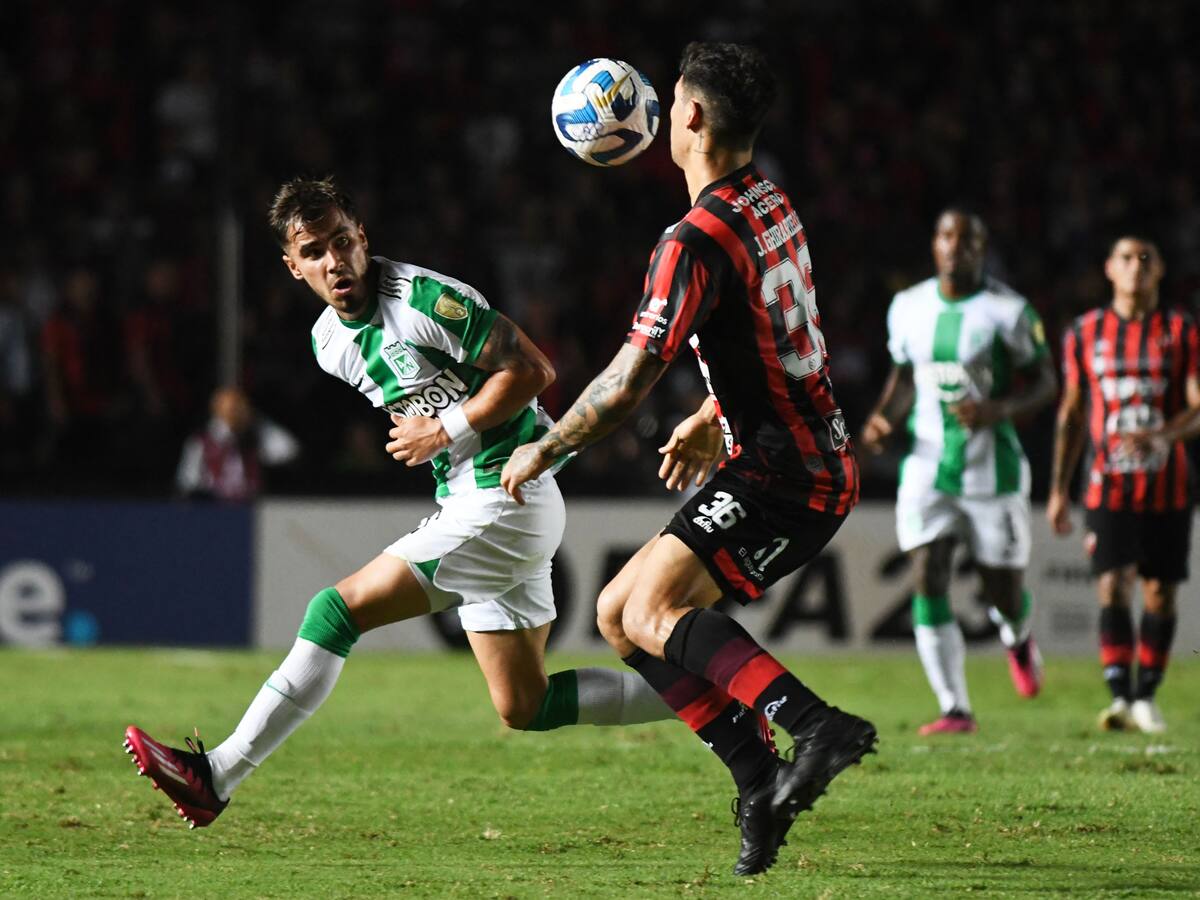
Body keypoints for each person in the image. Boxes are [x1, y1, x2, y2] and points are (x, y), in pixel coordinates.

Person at [124, 176, 673, 828]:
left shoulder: (424, 301)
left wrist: (446, 430)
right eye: (314, 251)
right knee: (525, 704)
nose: (335, 261)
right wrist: (443, 435)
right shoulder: (329, 344)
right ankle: (712, 694)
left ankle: (218, 772)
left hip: (505, 496)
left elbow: (533, 371)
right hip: (476, 501)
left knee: (335, 612)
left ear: (362, 237)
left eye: (341, 241)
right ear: (293, 267)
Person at [502, 42, 876, 877]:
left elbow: (631, 378)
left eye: (672, 103)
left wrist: (548, 444)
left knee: (652, 612)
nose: (666, 116)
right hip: (787, 451)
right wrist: (715, 408)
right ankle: (760, 777)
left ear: (695, 119)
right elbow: (782, 336)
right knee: (613, 614)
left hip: (791, 475)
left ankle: (814, 726)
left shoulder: (693, 238)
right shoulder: (769, 200)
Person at [859, 210, 1057, 735]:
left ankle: (1017, 636)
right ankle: (955, 708)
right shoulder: (908, 307)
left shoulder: (1009, 312)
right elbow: (904, 377)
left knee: (1003, 592)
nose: (957, 247)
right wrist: (883, 419)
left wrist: (999, 409)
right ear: (935, 244)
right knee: (928, 574)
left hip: (993, 470)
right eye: (947, 236)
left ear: (982, 249)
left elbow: (1046, 382)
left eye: (968, 239)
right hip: (926, 465)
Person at [1047, 236, 1199, 734]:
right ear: (1110, 269)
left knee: (1159, 592)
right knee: (1113, 584)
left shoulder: (1180, 330)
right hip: (1105, 483)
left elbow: (1197, 405)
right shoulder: (1085, 332)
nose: (1137, 266)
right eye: (1127, 259)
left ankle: (1145, 696)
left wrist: (1162, 436)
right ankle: (1118, 696)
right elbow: (1071, 413)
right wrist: (1057, 489)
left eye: (1146, 259)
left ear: (1159, 271)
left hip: (1168, 484)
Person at [175, 385, 300, 501]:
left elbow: (290, 450)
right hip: (213, 509)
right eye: (235, 409)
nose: (241, 413)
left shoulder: (255, 436)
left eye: (243, 409)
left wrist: (257, 422)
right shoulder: (200, 442)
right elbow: (187, 483)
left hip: (249, 509)